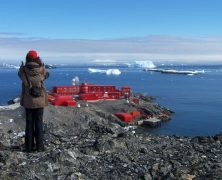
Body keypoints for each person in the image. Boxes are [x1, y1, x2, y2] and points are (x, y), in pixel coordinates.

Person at [18, 50, 49, 152]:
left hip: (28, 101)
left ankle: (29, 147)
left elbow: (19, 74)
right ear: (36, 58)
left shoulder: (23, 71)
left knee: (29, 123)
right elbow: (47, 75)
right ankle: (40, 147)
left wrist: (22, 66)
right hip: (39, 100)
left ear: (27, 58)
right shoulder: (41, 70)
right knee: (39, 123)